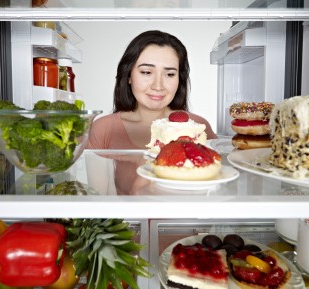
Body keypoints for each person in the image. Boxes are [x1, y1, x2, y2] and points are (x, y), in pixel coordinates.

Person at [86, 30, 218, 195]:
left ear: (180, 79)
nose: (158, 86)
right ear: (128, 75)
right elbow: (98, 203)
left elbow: (214, 192)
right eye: (147, 72)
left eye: (169, 74)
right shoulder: (103, 128)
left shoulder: (198, 127)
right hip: (130, 220)